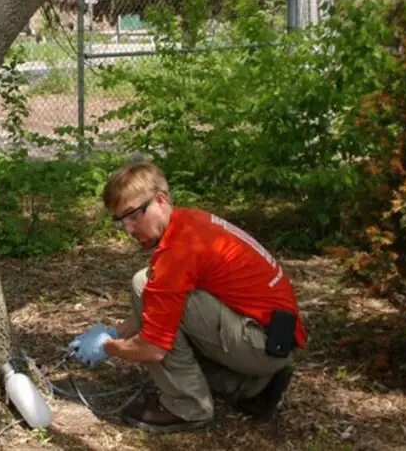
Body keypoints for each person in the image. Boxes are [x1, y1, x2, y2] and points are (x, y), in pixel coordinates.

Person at [67, 159, 308, 433]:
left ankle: (186, 407)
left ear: (160, 200)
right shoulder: (190, 222)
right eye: (121, 220)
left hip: (262, 344)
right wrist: (113, 331)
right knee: (147, 285)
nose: (129, 229)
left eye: (134, 215)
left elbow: (153, 349)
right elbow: (155, 304)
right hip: (272, 336)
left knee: (152, 292)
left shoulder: (178, 252)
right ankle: (252, 386)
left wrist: (109, 347)